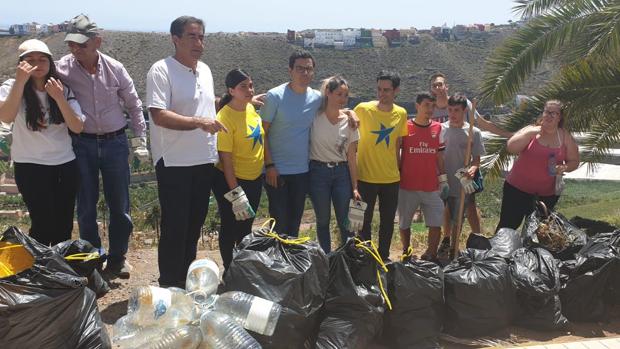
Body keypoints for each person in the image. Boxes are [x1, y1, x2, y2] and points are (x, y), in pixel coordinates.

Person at [57, 14, 147, 278]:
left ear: (97, 41)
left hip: (115, 143)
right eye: (71, 44)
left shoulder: (115, 68)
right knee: (86, 205)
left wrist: (139, 139)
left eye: (81, 44)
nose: (75, 49)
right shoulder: (63, 68)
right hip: (81, 144)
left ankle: (118, 258)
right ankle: (92, 260)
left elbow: (133, 103)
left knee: (120, 204)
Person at [146, 16, 227, 288]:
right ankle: (169, 285)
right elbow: (158, 115)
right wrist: (199, 123)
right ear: (175, 39)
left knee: (194, 226)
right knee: (175, 227)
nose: (198, 42)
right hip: (174, 161)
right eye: (192, 36)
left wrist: (234, 100)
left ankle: (185, 283)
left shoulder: (205, 69)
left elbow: (205, 104)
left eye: (202, 37)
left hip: (204, 159)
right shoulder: (161, 70)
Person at [0, 39, 85, 246]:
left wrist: (59, 98)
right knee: (42, 222)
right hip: (30, 165)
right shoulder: (11, 86)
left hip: (64, 164)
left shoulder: (62, 89)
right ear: (21, 63)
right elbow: (6, 116)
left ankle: (59, 271)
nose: (37, 64)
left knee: (64, 222)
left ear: (50, 63)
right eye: (30, 59)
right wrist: (20, 81)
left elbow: (77, 126)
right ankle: (41, 270)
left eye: (42, 59)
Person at [260, 50, 322, 237]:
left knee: (295, 223)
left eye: (308, 69)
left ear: (313, 71)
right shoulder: (275, 96)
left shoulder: (317, 98)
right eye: (299, 69)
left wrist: (350, 113)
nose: (304, 73)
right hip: (276, 171)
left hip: (302, 171)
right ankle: (278, 264)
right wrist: (269, 165)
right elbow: (262, 133)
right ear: (290, 70)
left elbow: (336, 109)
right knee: (279, 224)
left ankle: (291, 264)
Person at [496, 100, 579, 231]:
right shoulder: (531, 130)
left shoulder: (565, 137)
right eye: (547, 112)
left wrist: (564, 168)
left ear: (560, 117)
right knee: (507, 227)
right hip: (516, 190)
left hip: (546, 195)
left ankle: (527, 252)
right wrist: (530, 133)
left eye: (554, 113)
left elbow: (574, 161)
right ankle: (498, 251)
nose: (549, 116)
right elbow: (511, 148)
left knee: (536, 232)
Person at [212, 69, 263, 270]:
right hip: (230, 180)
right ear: (231, 90)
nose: (249, 90)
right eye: (243, 86)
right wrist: (236, 193)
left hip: (254, 178)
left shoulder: (249, 108)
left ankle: (243, 269)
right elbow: (226, 159)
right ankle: (229, 269)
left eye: (251, 85)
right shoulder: (225, 117)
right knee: (230, 226)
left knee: (246, 226)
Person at [354, 71, 408, 261]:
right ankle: (364, 257)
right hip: (364, 177)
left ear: (396, 91)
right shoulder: (362, 108)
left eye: (386, 90)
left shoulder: (401, 113)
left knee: (387, 222)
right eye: (379, 89)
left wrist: (399, 170)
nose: (381, 93)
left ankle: (383, 258)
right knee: (360, 221)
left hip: (391, 178)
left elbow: (397, 145)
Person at [309, 76, 361, 253]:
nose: (342, 99)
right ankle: (326, 258)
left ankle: (345, 258)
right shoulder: (314, 117)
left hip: (341, 173)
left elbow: (352, 157)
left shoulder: (350, 123)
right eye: (339, 94)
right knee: (322, 220)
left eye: (345, 95)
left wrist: (355, 186)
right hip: (318, 173)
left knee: (344, 221)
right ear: (328, 93)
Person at [398, 92, 447, 262]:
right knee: (404, 223)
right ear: (417, 106)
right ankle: (406, 252)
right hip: (407, 186)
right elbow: (397, 154)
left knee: (436, 222)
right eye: (426, 105)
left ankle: (431, 254)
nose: (430, 109)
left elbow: (439, 156)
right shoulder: (405, 127)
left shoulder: (438, 129)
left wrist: (443, 179)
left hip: (431, 186)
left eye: (433, 106)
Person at [440, 94, 485, 256]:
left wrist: (473, 169)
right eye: (450, 110)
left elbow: (477, 160)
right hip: (445, 180)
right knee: (447, 210)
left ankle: (477, 240)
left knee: (467, 209)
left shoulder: (474, 132)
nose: (453, 114)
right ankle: (448, 242)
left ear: (464, 110)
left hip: (465, 180)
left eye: (457, 110)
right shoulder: (441, 130)